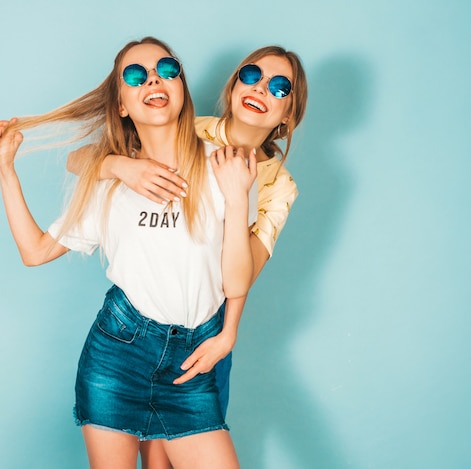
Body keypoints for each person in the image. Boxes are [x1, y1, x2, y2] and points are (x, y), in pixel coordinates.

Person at [0, 37, 257, 469]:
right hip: (119, 354)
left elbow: (235, 282)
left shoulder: (225, 166)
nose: (153, 78)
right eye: (135, 75)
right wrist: (6, 171)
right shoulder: (109, 183)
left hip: (192, 362)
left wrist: (239, 197)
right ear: (122, 106)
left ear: (181, 90)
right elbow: (35, 251)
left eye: (167, 69)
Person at [47, 45, 309, 469]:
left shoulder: (279, 185)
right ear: (233, 85)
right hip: (140, 328)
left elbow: (238, 279)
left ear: (287, 116)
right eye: (252, 75)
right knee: (155, 459)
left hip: (207, 336)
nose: (261, 88)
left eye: (279, 88)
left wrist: (227, 335)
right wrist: (121, 166)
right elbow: (81, 161)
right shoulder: (193, 131)